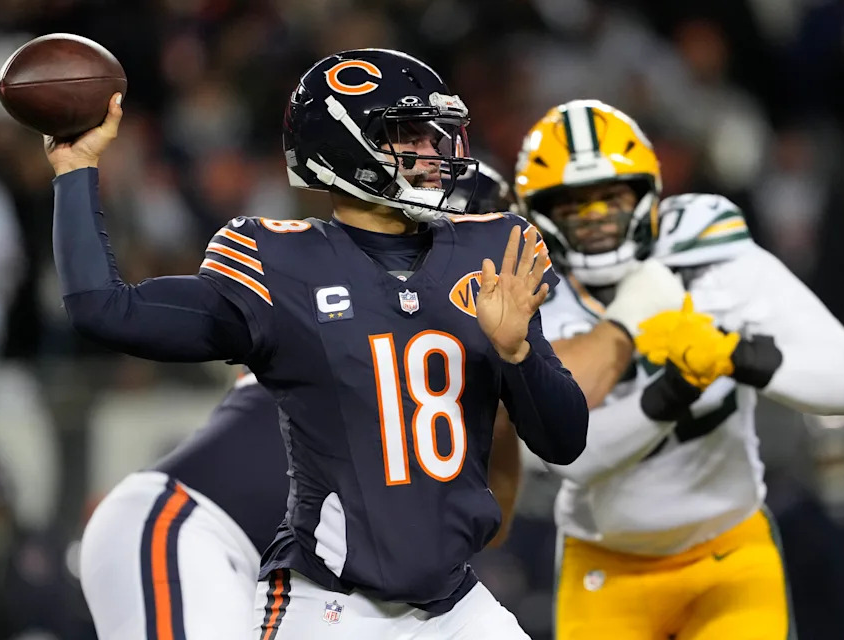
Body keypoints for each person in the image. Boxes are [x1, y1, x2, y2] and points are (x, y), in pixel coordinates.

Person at [48, 48, 588, 639]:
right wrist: (76, 169)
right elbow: (106, 310)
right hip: (333, 603)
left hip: (452, 602)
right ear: (347, 148)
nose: (437, 152)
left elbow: (564, 441)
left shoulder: (496, 249)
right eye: (411, 135)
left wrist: (519, 355)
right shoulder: (279, 263)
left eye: (439, 134)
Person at [76, 165, 526, 640]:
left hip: (288, 584)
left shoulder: (427, 351)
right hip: (187, 531)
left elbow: (483, 531)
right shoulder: (334, 313)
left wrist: (505, 382)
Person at [514, 99, 844, 639]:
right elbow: (571, 457)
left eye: (610, 197)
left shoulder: (709, 256)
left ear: (645, 192)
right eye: (574, 205)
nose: (595, 219)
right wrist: (678, 389)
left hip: (729, 553)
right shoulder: (532, 294)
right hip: (607, 565)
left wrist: (737, 354)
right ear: (541, 210)